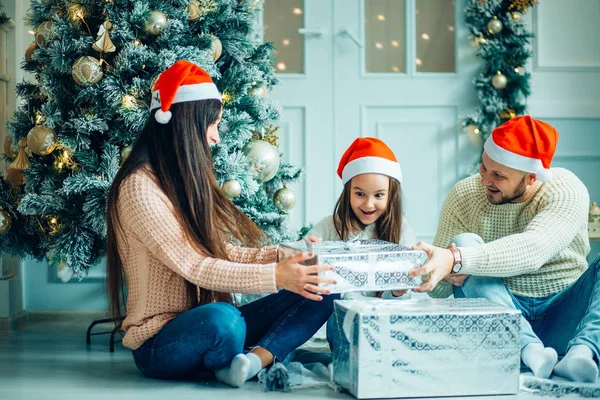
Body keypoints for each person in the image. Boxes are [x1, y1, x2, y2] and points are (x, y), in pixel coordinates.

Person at [105, 60, 338, 388]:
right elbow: (194, 266)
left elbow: (219, 252)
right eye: (212, 125)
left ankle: (251, 361)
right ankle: (257, 352)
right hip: (160, 343)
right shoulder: (138, 188)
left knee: (320, 290)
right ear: (186, 125)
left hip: (210, 324)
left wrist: (284, 256)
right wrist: (276, 277)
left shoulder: (180, 182)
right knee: (225, 321)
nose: (215, 137)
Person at [408, 115, 599, 382]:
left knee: (462, 253)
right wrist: (450, 266)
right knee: (463, 243)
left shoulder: (565, 189)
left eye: (498, 175)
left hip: (564, 310)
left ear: (532, 178)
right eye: (483, 167)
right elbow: (437, 289)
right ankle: (530, 350)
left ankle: (582, 353)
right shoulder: (464, 196)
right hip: (502, 320)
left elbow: (534, 249)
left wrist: (458, 259)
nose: (485, 180)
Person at [306, 137, 417, 350]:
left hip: (385, 321)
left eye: (378, 195)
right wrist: (310, 246)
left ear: (391, 196)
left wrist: (398, 291)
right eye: (359, 194)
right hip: (341, 320)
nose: (368, 204)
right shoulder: (332, 225)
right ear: (347, 192)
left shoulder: (401, 230)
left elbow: (407, 297)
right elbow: (305, 253)